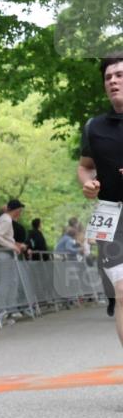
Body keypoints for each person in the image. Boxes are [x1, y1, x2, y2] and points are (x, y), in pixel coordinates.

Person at [77, 52, 123, 343]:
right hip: (110, 215)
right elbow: (84, 167)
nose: (113, 81)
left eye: (119, 75)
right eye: (108, 77)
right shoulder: (94, 127)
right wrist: (88, 184)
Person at [0, 199, 27, 318]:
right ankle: (1, 310)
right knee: (6, 282)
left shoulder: (5, 219)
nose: (20, 212)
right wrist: (12, 246)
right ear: (16, 210)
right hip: (4, 254)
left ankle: (11, 309)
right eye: (19, 210)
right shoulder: (6, 220)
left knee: (12, 281)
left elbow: (2, 236)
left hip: (6, 253)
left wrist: (14, 245)